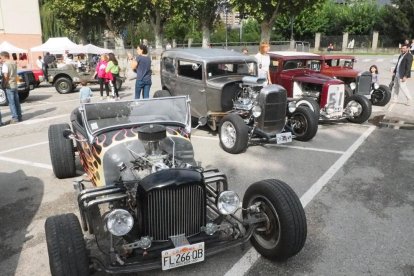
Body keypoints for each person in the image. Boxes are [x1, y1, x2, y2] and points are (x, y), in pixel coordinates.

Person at [0, 51, 22, 123]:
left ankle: (15, 118)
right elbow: (15, 74)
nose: (1, 59)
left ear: (4, 56)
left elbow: (6, 76)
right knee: (17, 102)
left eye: (1, 57)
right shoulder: (13, 63)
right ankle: (19, 116)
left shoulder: (5, 64)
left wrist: (4, 84)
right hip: (14, 84)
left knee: (11, 103)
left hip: (9, 85)